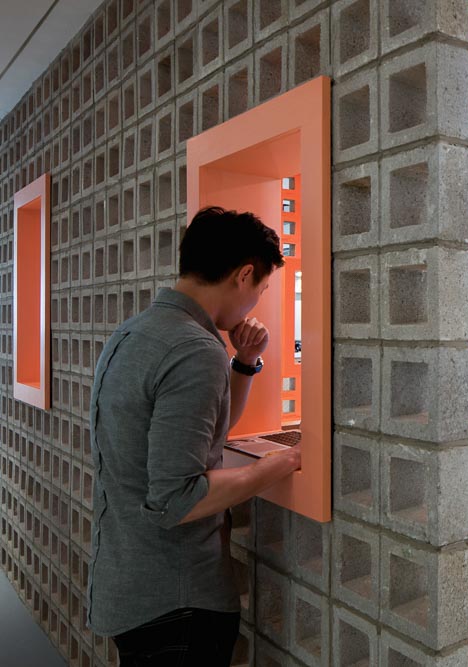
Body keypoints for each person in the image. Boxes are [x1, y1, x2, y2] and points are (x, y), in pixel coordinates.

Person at [87, 206, 302, 666]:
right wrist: (281, 463)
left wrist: (244, 364)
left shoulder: (133, 332)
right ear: (244, 275)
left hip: (128, 578)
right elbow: (176, 497)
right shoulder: (195, 349)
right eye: (261, 290)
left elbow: (206, 433)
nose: (255, 305)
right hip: (176, 599)